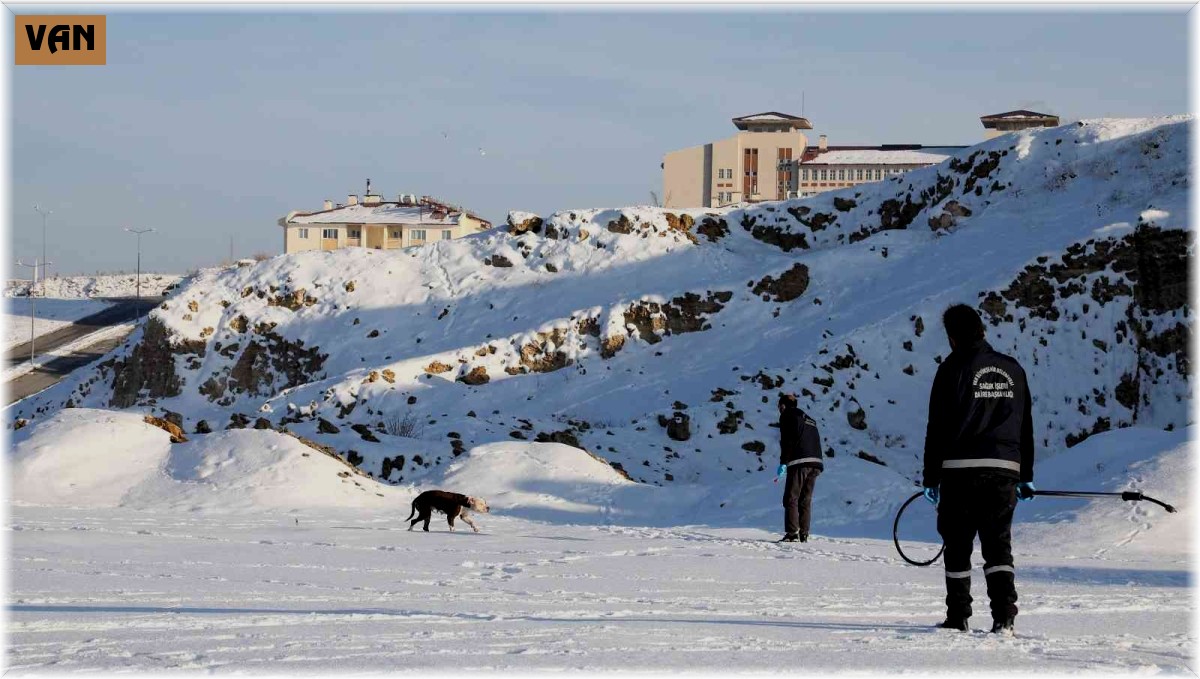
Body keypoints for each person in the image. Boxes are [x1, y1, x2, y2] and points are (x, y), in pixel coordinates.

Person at [922, 304, 1036, 636]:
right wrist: (1024, 474)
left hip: (959, 471)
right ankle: (1004, 617)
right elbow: (1024, 426)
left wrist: (931, 477)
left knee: (958, 545)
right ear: (982, 330)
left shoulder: (950, 369)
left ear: (952, 337)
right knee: (998, 545)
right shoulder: (1013, 369)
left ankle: (958, 616)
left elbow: (937, 428)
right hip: (1003, 470)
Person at [776, 392, 823, 543]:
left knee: (791, 498)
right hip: (816, 463)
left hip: (799, 462)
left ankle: (792, 534)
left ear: (783, 405)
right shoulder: (809, 419)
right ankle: (804, 533)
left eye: (779, 407)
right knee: (805, 499)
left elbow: (787, 440)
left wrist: (783, 463)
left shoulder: (787, 415)